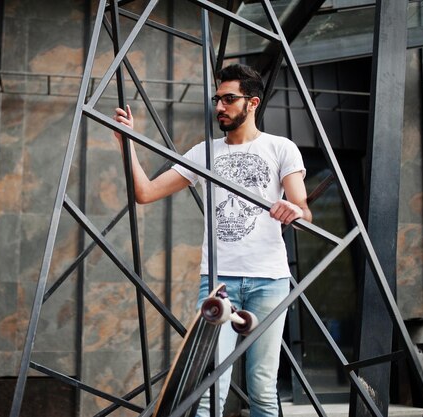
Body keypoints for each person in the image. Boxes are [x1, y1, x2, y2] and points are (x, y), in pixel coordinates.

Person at [113, 63, 312, 417]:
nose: (219, 106)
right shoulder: (203, 153)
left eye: (229, 99)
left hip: (270, 281)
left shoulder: (281, 148)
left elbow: (303, 211)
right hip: (218, 283)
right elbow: (145, 193)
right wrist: (127, 142)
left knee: (263, 388)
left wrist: (294, 212)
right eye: (217, 99)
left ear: (252, 103)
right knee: (209, 389)